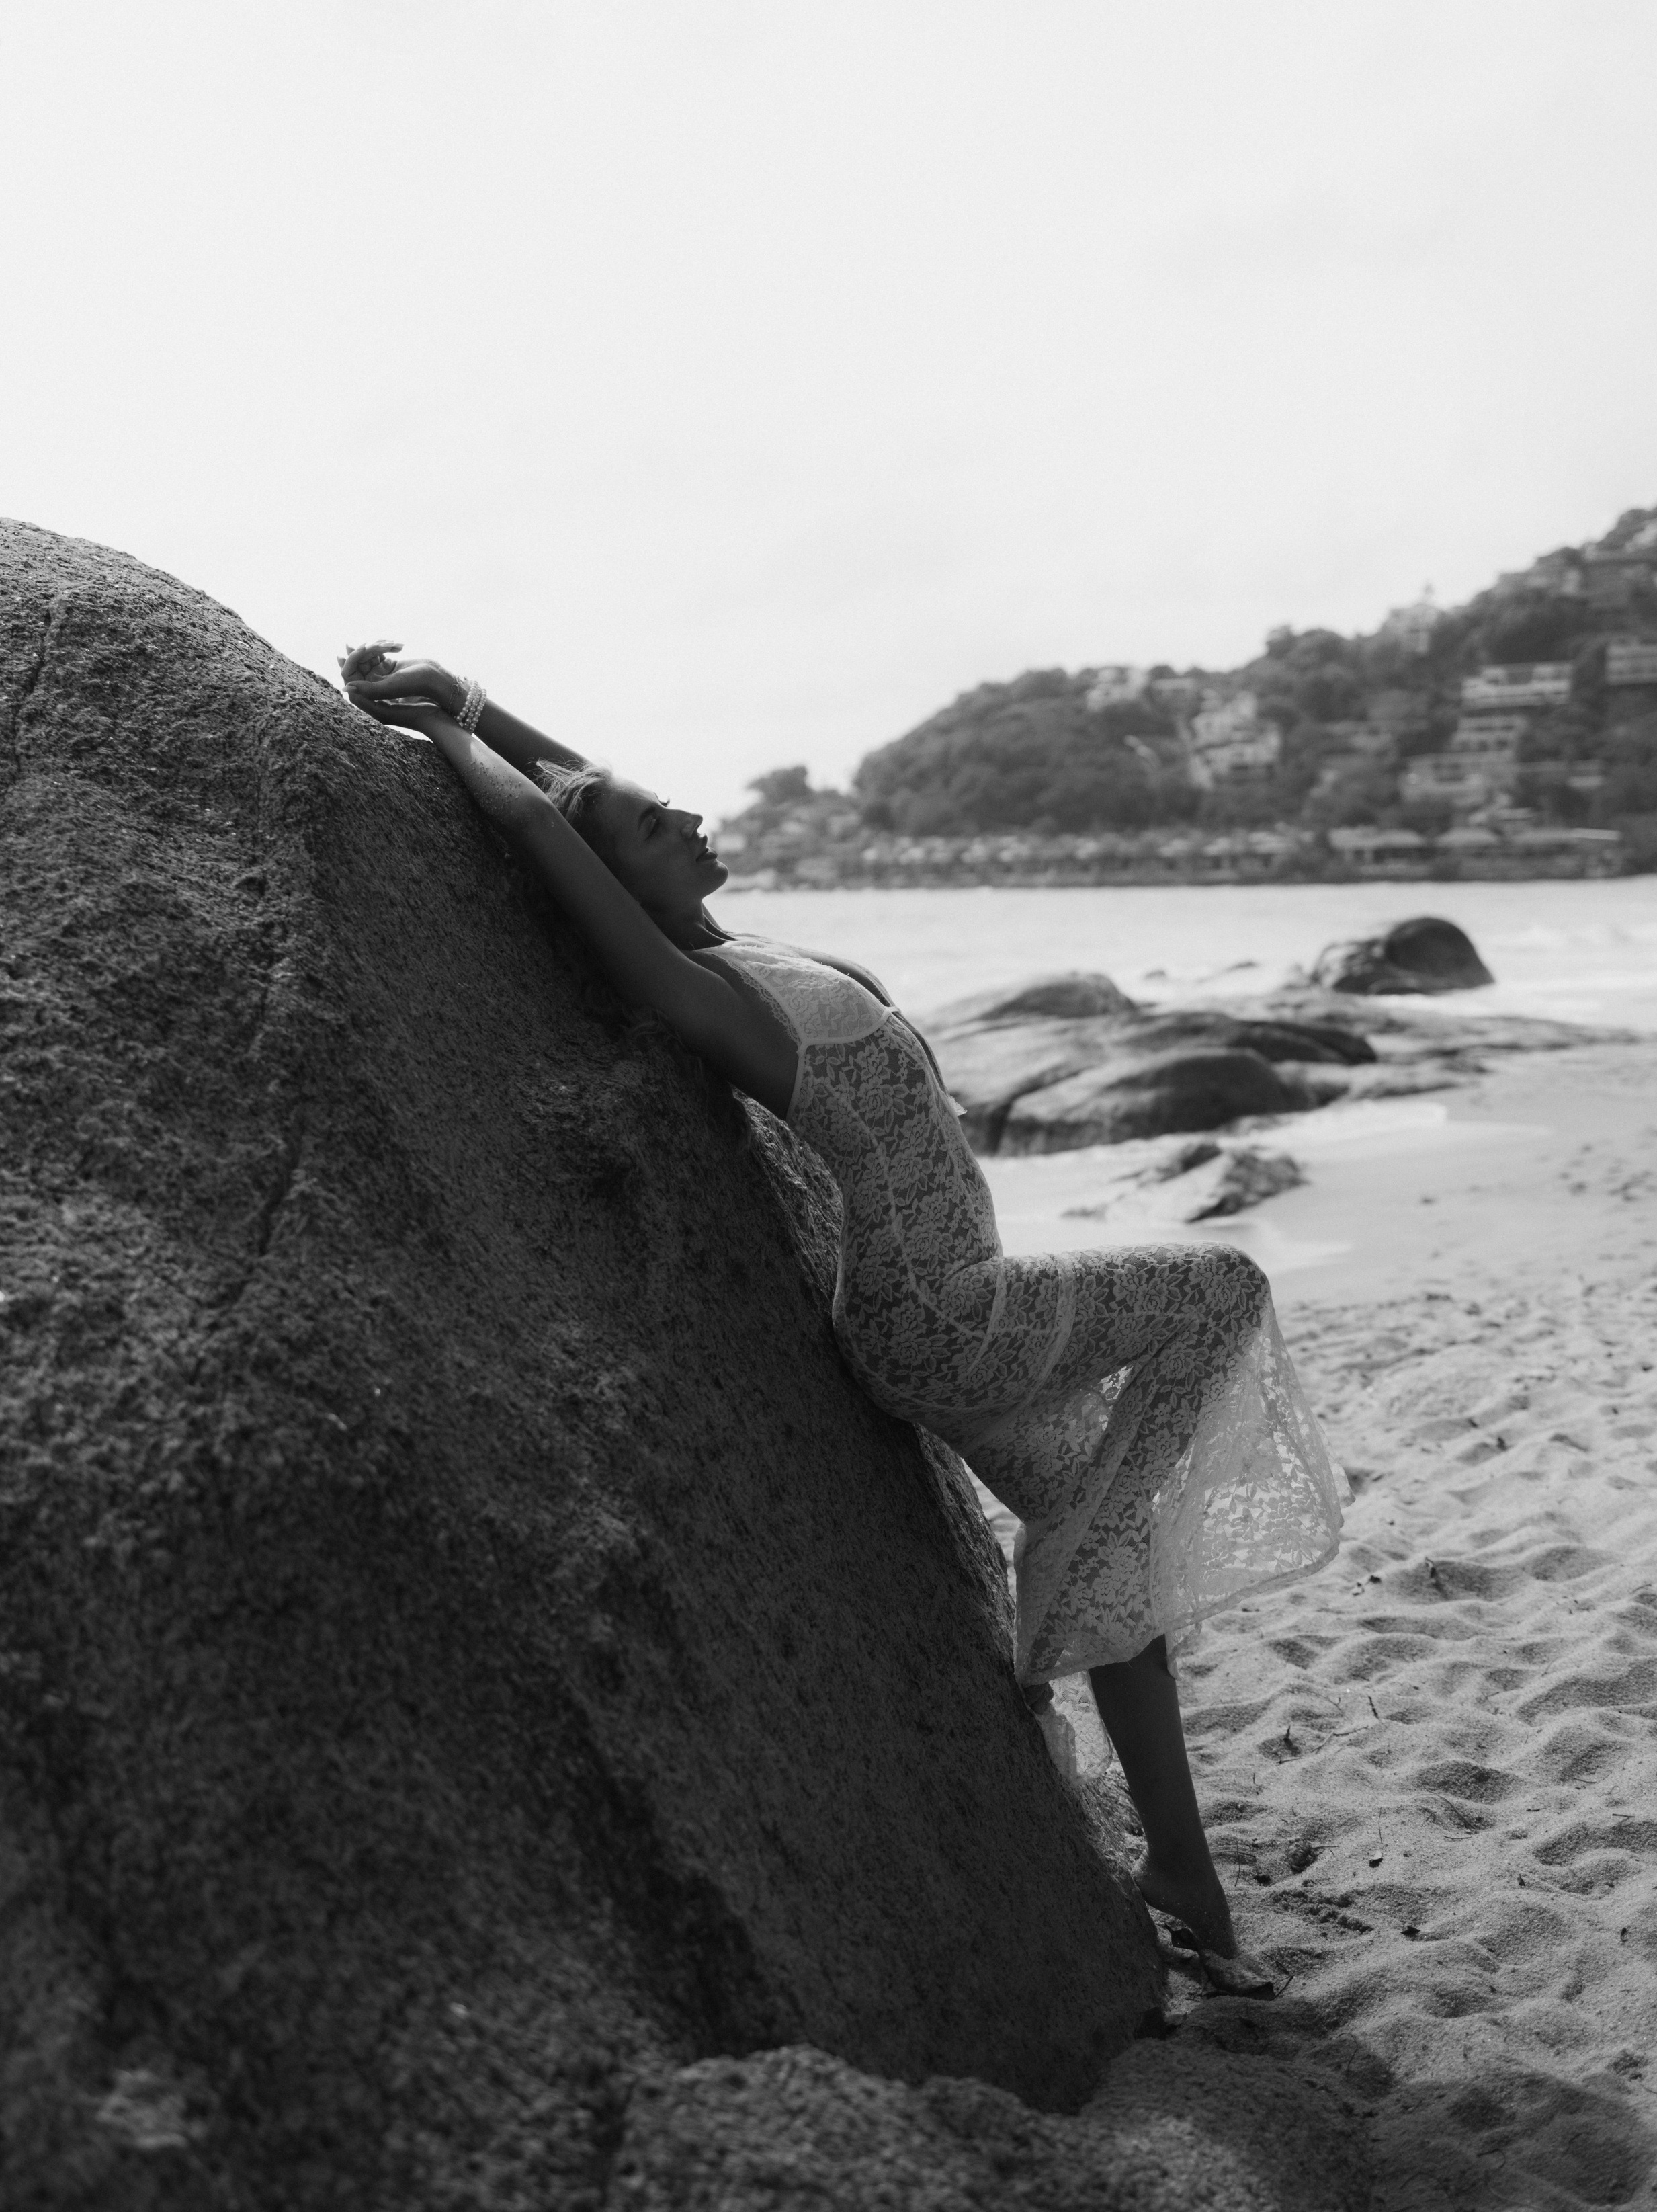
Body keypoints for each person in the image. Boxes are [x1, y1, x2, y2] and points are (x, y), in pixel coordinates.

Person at [341, 641, 1346, 1996]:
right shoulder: (704, 994)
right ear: (621, 882)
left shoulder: (742, 944)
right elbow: (541, 821)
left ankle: (1181, 1867)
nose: (687, 818)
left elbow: (573, 789)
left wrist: (474, 699)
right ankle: (1074, 1582)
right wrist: (448, 746)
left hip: (957, 1307)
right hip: (941, 1318)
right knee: (1220, 1293)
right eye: (654, 827)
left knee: (1108, 1565)